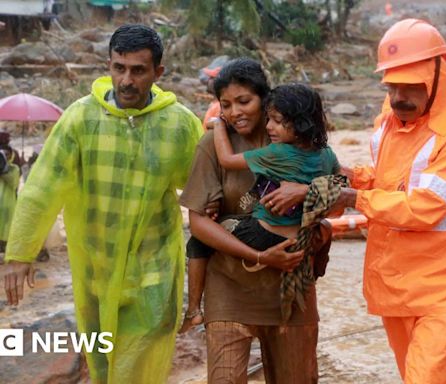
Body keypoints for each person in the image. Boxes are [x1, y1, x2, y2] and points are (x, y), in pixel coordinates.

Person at [3, 24, 203, 384]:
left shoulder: (180, 125)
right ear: (108, 65)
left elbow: (207, 190)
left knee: (136, 366)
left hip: (153, 271)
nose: (126, 80)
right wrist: (20, 253)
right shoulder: (81, 119)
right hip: (94, 270)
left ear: (159, 72)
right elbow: (43, 186)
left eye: (138, 71)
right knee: (101, 364)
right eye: (118, 68)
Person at [325, 19, 446, 383]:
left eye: (411, 87)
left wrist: (354, 197)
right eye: (392, 86)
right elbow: (387, 179)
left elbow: (425, 207)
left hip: (445, 286)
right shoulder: (388, 122)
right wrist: (347, 174)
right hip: (395, 279)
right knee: (416, 376)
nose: (399, 97)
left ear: (436, 78)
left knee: (423, 379)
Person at [179, 58, 323, 383]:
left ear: (265, 99)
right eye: (225, 105)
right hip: (229, 287)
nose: (235, 112)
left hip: (290, 290)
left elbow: (340, 195)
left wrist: (303, 192)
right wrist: (258, 255)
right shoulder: (214, 145)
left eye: (244, 101)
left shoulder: (300, 142)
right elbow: (199, 223)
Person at [180, 83, 341, 333]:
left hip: (263, 235)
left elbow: (226, 159)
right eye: (269, 119)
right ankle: (321, 254)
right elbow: (340, 187)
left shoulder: (277, 153)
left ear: (299, 124)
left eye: (276, 121)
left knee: (203, 236)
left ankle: (193, 311)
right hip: (302, 238)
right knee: (324, 225)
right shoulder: (327, 155)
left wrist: (219, 125)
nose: (269, 127)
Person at [0, 131, 21, 255]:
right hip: (9, 199)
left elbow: (13, 180)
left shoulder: (13, 165)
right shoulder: (14, 154)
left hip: (8, 199)